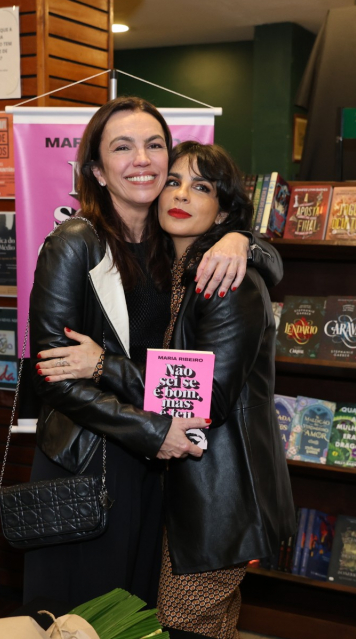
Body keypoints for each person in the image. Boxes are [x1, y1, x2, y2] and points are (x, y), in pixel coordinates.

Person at [24, 97, 282, 608]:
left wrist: (240, 240)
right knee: (78, 622)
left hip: (157, 463)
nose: (142, 158)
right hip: (91, 458)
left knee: (136, 621)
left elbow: (262, 263)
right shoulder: (74, 242)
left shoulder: (175, 245)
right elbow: (54, 373)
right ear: (97, 170)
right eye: (123, 147)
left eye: (154, 145)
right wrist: (151, 431)